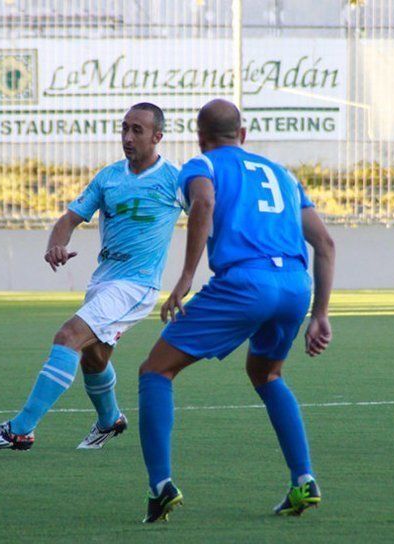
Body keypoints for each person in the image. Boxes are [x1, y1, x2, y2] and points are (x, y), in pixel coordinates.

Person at [137, 99, 335, 523]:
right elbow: (325, 244)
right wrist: (320, 313)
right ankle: (304, 479)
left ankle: (160, 487)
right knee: (266, 374)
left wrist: (187, 276)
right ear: (242, 135)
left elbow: (204, 205)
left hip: (247, 283)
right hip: (295, 287)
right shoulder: (282, 175)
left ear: (200, 137)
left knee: (155, 371)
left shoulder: (202, 165)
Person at [0, 103, 182, 451]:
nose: (127, 137)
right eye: (124, 128)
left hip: (137, 285)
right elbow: (68, 221)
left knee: (68, 336)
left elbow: (206, 211)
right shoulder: (109, 177)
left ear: (158, 136)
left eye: (137, 130)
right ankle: (110, 420)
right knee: (94, 359)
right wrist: (56, 246)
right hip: (104, 281)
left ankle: (20, 429)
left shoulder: (175, 179)